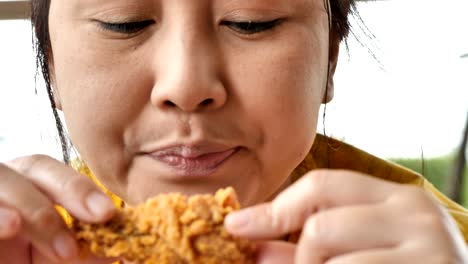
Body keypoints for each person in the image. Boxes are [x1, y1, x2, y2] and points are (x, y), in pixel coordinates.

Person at [1, 0, 467, 263]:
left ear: (330, 60)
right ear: (52, 65)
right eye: (126, 24)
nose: (186, 85)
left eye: (252, 22)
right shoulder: (26, 245)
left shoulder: (444, 250)